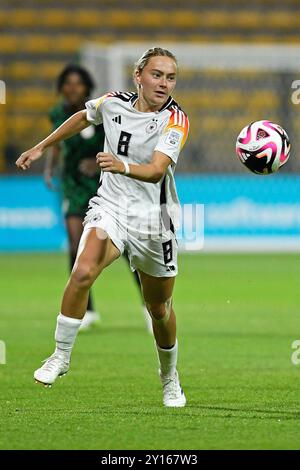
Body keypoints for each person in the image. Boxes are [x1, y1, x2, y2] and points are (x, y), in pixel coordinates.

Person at [16, 47, 189, 407]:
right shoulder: (113, 102)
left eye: (170, 77)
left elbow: (157, 170)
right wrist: (41, 146)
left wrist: (119, 165)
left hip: (154, 220)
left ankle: (170, 377)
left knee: (159, 309)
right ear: (138, 76)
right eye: (156, 75)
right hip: (111, 207)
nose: (164, 83)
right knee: (82, 272)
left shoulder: (176, 120)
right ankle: (60, 356)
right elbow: (83, 117)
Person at [44, 64, 151, 332]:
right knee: (74, 242)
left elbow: (118, 143)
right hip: (72, 182)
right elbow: (59, 142)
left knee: (125, 246)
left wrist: (97, 163)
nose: (72, 88)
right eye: (67, 83)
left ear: (87, 87)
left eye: (77, 83)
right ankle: (87, 310)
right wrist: (49, 167)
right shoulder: (58, 113)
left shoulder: (105, 111)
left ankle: (148, 306)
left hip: (105, 181)